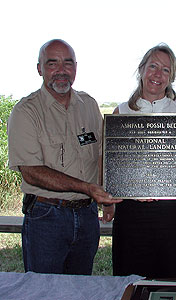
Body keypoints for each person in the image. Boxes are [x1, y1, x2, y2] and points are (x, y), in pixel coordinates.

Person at [7, 39, 121, 275]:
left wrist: (106, 196)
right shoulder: (26, 111)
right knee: (45, 290)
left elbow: (101, 155)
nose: (61, 70)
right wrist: (89, 188)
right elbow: (32, 171)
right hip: (47, 217)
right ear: (39, 68)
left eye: (68, 63)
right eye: (52, 63)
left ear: (76, 68)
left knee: (80, 287)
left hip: (88, 216)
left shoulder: (89, 105)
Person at [108, 43, 176, 278]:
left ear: (171, 77)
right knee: (131, 281)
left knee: (173, 280)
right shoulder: (121, 112)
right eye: (153, 66)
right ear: (141, 70)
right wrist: (108, 200)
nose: (158, 74)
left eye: (166, 70)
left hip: (172, 213)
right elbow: (109, 164)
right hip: (131, 214)